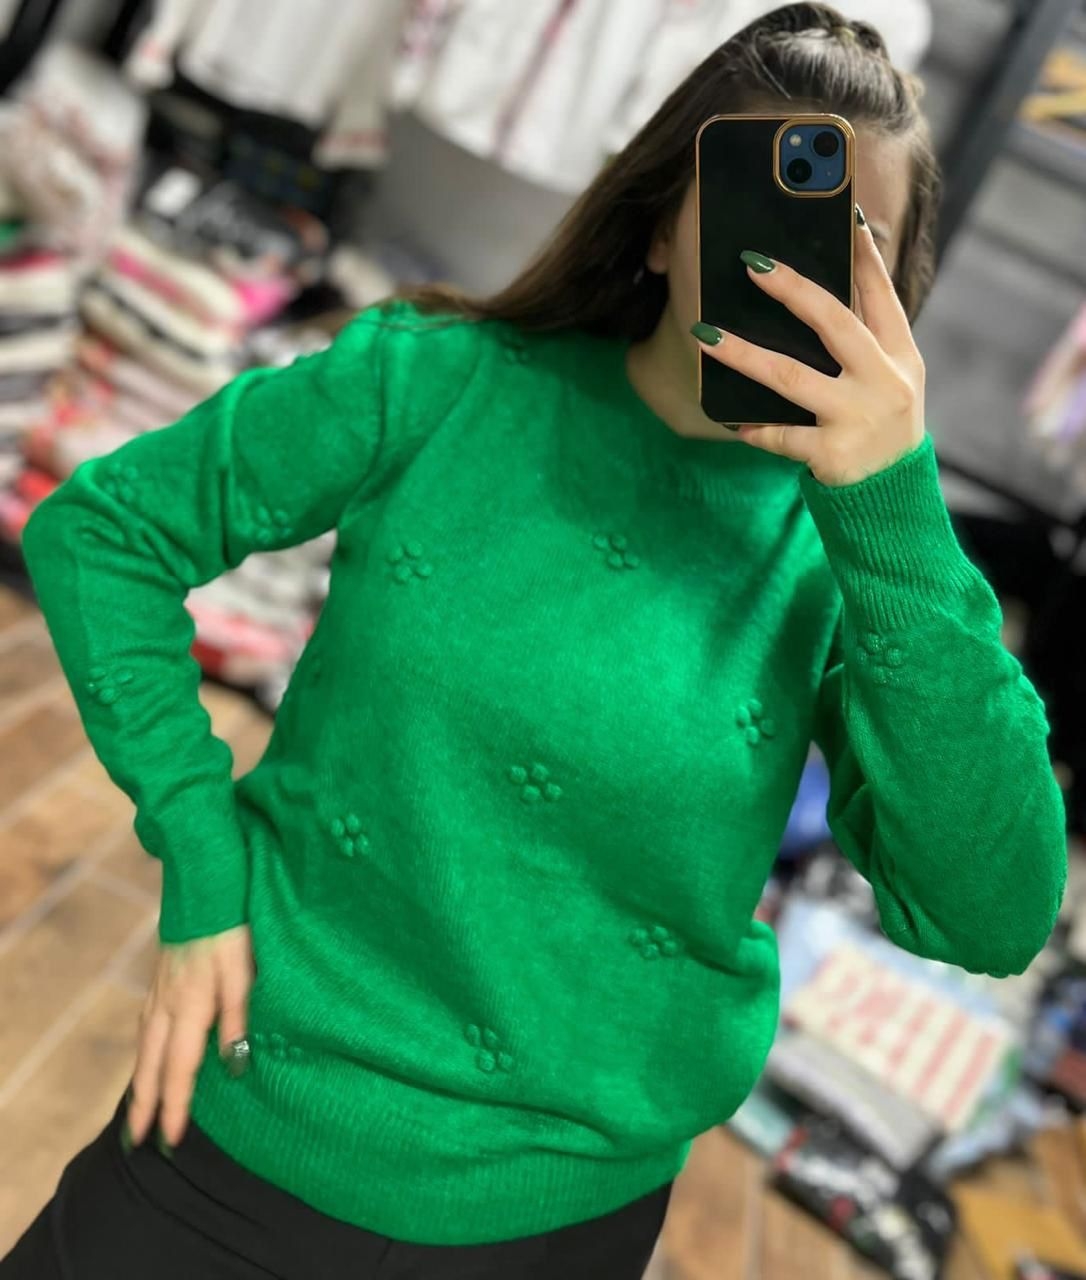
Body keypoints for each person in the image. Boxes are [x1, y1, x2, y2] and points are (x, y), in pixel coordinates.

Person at [2, 4, 1067, 1278]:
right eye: (749, 210)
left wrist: (892, 508)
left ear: (896, 304)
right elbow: (103, 533)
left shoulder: (864, 563)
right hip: (247, 1115)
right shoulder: (436, 380)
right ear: (663, 224)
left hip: (560, 1217)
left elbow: (992, 913)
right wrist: (200, 852)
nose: (782, 269)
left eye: (847, 249)